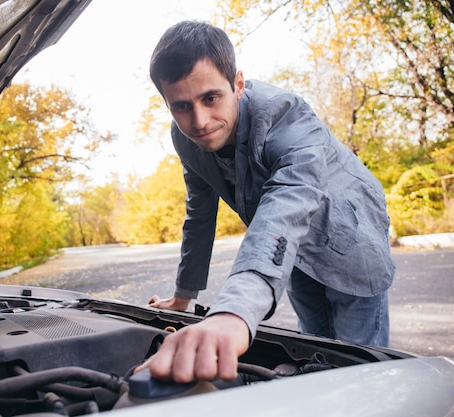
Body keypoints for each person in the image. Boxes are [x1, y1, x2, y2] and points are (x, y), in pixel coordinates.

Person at [139, 20, 395, 384]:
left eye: (211, 98)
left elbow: (287, 206)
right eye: (181, 106)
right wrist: (184, 295)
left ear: (238, 85)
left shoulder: (286, 115)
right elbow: (200, 211)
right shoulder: (186, 139)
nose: (200, 121)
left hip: (351, 243)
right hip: (293, 254)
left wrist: (233, 314)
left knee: (358, 371)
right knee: (319, 359)